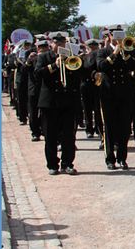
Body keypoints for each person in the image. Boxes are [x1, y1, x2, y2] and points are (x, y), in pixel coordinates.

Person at [34, 32, 81, 175]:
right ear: (51, 44)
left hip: (67, 101)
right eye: (56, 43)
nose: (59, 45)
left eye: (61, 43)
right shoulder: (44, 57)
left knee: (68, 135)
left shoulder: (71, 57)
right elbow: (37, 74)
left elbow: (78, 76)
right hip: (50, 102)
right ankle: (52, 164)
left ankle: (67, 163)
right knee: (50, 135)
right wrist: (54, 65)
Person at [97, 25, 135, 170]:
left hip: (125, 93)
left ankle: (122, 158)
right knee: (109, 127)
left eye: (120, 35)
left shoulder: (129, 50)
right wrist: (114, 54)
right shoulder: (103, 51)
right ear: (109, 36)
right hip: (109, 94)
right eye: (115, 35)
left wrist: (126, 54)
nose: (118, 38)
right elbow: (101, 66)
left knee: (124, 128)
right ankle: (110, 159)